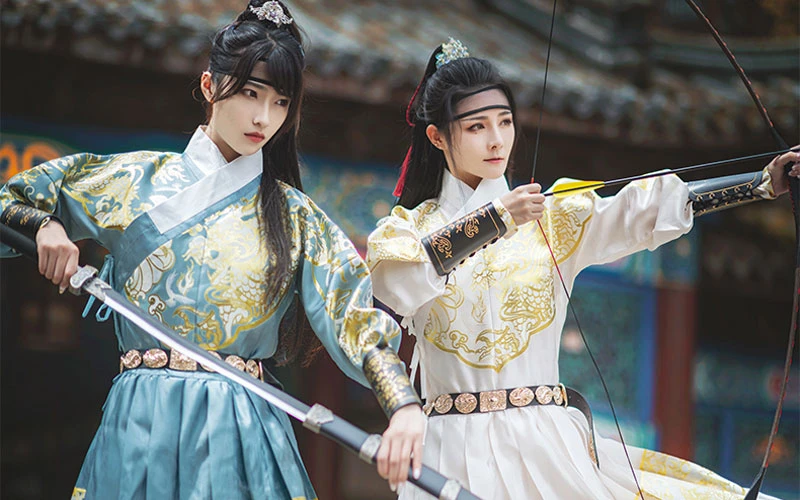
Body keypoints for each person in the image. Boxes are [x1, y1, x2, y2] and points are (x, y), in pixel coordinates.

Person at [0, 2, 425, 498]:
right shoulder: (134, 181)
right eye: (249, 93)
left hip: (241, 427)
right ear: (209, 86)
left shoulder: (296, 217)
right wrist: (45, 225)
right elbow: (10, 200)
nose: (264, 117)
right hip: (141, 421)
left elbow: (353, 319)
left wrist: (403, 406)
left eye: (281, 103)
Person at [366, 38, 799, 500]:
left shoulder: (553, 217)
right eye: (476, 127)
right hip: (448, 450)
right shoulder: (406, 233)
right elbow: (396, 285)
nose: (497, 140)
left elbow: (641, 212)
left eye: (505, 122)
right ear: (437, 137)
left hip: (544, 444)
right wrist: (497, 218)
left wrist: (760, 184)